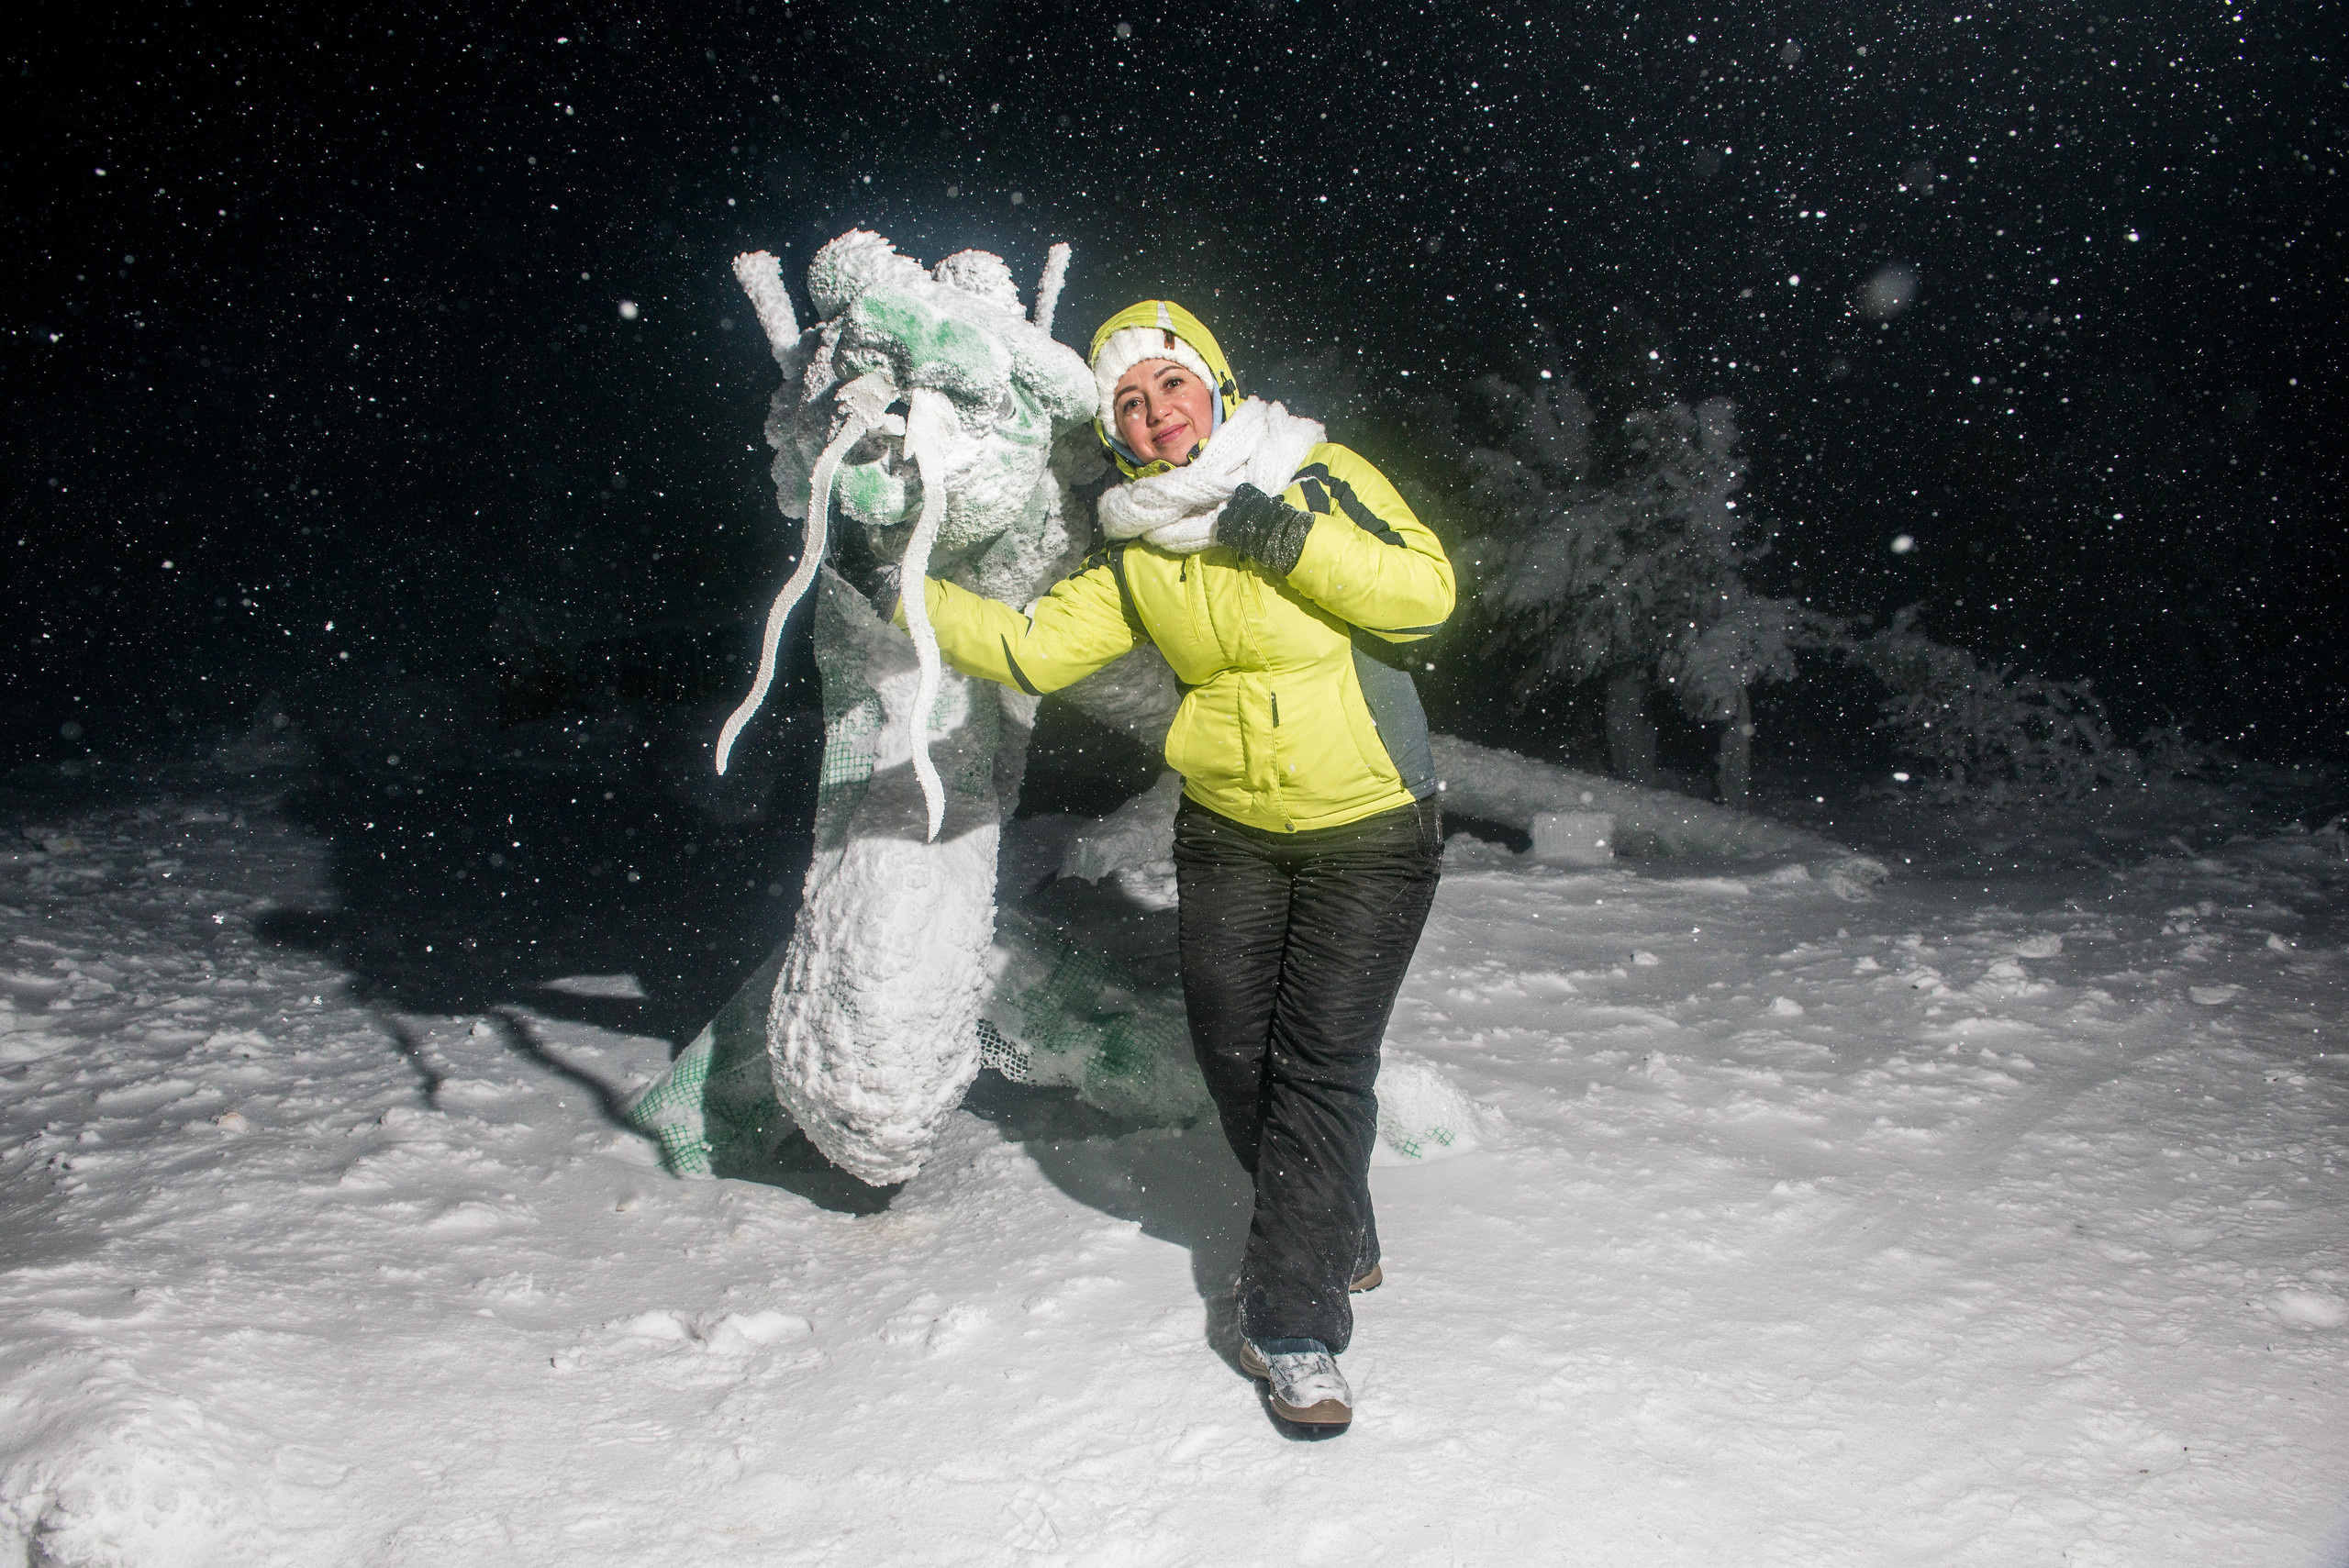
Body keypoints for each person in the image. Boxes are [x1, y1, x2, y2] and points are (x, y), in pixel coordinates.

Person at [888, 300, 1453, 1430]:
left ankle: (1291, 1322)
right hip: (1231, 827)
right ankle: (1335, 1224)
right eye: (1130, 404)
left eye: (1170, 384)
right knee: (1236, 1055)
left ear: (1215, 385)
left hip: (1369, 825)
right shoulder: (1139, 546)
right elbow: (1032, 649)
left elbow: (1423, 597)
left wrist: (1282, 537)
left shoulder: (1314, 473)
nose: (1154, 413)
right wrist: (899, 586)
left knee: (1320, 1063)